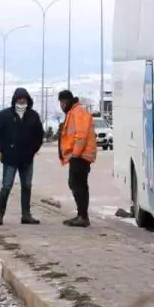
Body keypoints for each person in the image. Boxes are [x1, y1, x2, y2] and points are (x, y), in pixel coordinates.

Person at [0, 87, 45, 225]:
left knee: (26, 185)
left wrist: (33, 149)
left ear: (28, 100)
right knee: (7, 185)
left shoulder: (33, 116)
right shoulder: (5, 115)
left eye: (24, 99)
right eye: (19, 99)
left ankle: (26, 214)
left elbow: (39, 135)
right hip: (10, 157)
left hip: (26, 158)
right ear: (14, 100)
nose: (21, 101)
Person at [57, 89, 97, 227]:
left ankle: (83, 217)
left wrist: (75, 154)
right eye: (60, 103)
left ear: (68, 101)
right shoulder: (73, 112)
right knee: (76, 184)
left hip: (80, 156)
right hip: (78, 155)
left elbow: (81, 135)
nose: (61, 106)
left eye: (62, 102)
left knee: (77, 184)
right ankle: (81, 215)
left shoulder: (78, 112)